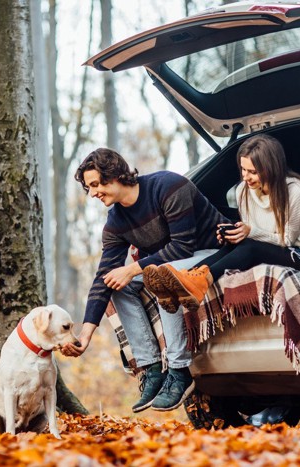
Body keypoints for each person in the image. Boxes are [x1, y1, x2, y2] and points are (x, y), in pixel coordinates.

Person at [142, 134, 300, 426]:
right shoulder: (242, 191)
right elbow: (248, 233)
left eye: (253, 171)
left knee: (248, 245)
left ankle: (197, 280)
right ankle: (188, 279)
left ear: (272, 167)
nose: (247, 177)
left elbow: (287, 238)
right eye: (243, 170)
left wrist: (248, 232)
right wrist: (232, 232)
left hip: (298, 254)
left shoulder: (296, 190)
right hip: (261, 247)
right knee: (230, 244)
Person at [61, 148, 228, 413]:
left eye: (95, 184)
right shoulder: (116, 220)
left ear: (114, 174)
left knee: (157, 276)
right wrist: (85, 334)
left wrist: (132, 269)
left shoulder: (169, 186)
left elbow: (183, 247)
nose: (92, 193)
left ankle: (179, 370)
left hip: (212, 252)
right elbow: (103, 278)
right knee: (117, 285)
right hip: (171, 263)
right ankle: (152, 368)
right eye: (89, 188)